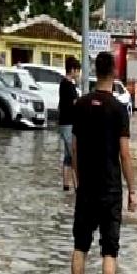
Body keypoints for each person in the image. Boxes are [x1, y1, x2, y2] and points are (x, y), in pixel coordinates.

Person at [71, 51, 137, 274]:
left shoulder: (80, 105)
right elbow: (125, 155)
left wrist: (78, 181)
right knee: (110, 251)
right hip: (111, 191)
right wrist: (132, 191)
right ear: (114, 73)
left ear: (95, 72)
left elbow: (74, 149)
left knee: (80, 246)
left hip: (86, 188)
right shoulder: (120, 110)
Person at [59, 56, 82, 190]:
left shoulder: (64, 84)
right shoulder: (69, 86)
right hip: (68, 124)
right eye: (77, 71)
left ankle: (66, 185)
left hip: (65, 123)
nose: (78, 74)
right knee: (74, 155)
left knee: (68, 156)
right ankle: (77, 187)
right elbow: (75, 104)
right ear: (72, 70)